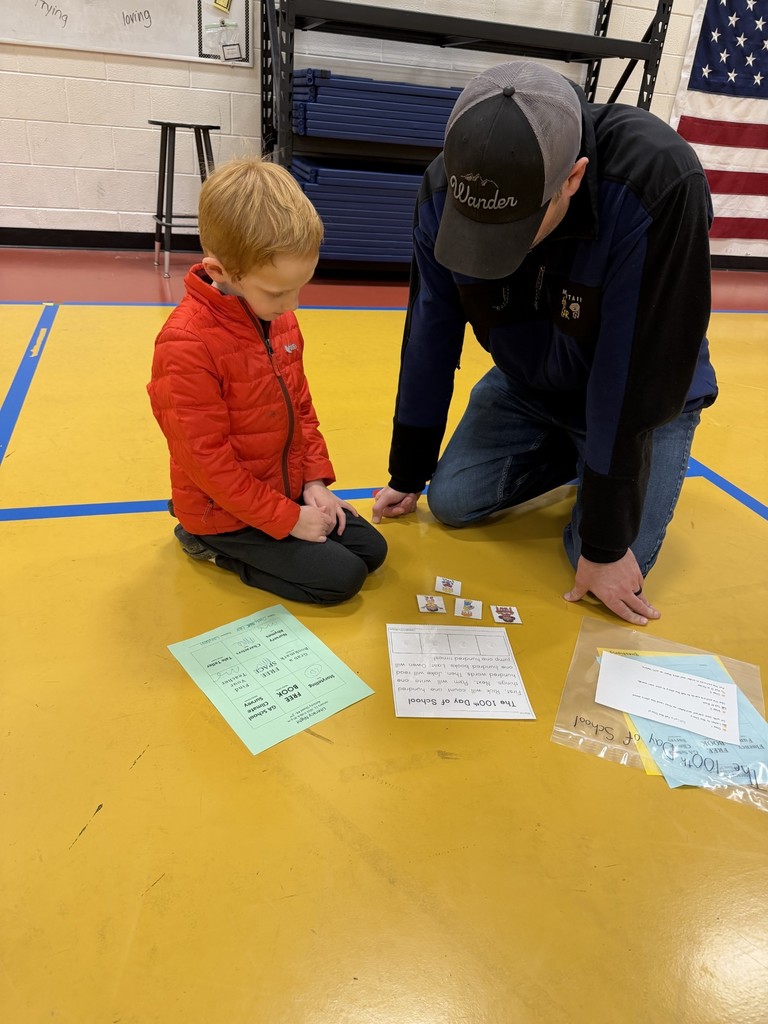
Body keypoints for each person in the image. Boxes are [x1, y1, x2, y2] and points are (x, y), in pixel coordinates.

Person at [372, 60, 717, 626]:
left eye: (512, 231)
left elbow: (633, 377)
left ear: (573, 179)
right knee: (451, 502)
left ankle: (598, 460)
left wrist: (605, 545)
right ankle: (574, 453)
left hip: (644, 387)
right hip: (529, 382)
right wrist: (408, 471)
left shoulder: (657, 180)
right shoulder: (445, 186)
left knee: (595, 556)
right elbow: (429, 332)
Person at [148, 156, 387, 604]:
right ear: (220, 272)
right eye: (278, 292)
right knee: (341, 580)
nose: (292, 305)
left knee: (372, 551)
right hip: (223, 510)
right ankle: (203, 540)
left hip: (284, 489)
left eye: (301, 287)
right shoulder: (185, 344)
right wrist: (288, 519)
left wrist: (314, 485)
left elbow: (301, 409)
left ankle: (287, 513)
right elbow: (208, 464)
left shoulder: (278, 320)